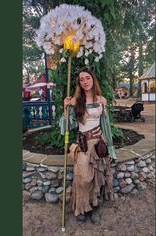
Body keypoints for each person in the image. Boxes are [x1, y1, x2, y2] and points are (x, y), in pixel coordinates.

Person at [59, 67, 118, 225]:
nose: (85, 81)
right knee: (83, 178)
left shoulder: (101, 100)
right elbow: (67, 127)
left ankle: (94, 208)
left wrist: (110, 147)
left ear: (93, 79)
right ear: (79, 83)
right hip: (83, 144)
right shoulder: (75, 102)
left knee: (97, 178)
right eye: (81, 79)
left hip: (99, 144)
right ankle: (82, 208)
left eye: (87, 78)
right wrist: (66, 109)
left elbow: (106, 125)